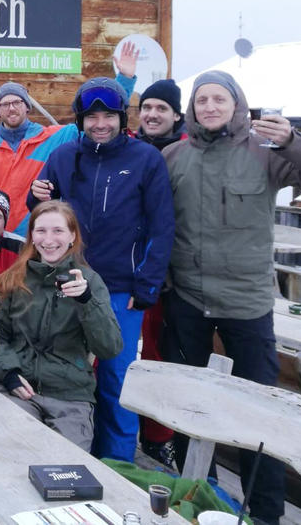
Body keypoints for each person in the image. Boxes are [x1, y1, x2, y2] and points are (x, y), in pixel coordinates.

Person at [161, 71, 301, 525]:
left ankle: (265, 512)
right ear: (192, 108)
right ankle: (199, 498)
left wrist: (293, 139)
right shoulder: (174, 156)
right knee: (190, 406)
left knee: (259, 413)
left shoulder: (267, 153)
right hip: (188, 300)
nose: (210, 107)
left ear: (237, 104)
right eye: (202, 100)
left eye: (219, 99)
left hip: (247, 305)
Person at [28, 77, 173, 463]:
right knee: (68, 372)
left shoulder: (145, 159)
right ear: (81, 119)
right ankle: (75, 453)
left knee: (116, 380)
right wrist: (34, 195)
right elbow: (42, 211)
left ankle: (118, 464)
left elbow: (162, 226)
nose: (100, 124)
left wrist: (147, 286)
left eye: (108, 115)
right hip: (69, 281)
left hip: (122, 290)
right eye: (92, 117)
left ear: (121, 118)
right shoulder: (64, 156)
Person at [0, 201, 123, 451]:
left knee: (66, 470)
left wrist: (86, 302)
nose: (48, 239)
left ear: (72, 236)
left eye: (58, 231)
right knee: (8, 455)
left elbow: (109, 348)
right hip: (21, 390)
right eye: (40, 231)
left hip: (69, 395)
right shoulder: (13, 279)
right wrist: (9, 374)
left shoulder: (90, 281)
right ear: (31, 236)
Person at [132, 78, 184, 467]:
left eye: (161, 109)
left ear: (176, 115)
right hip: (125, 269)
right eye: (147, 107)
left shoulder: (185, 152)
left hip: (168, 275)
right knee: (118, 354)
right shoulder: (126, 149)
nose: (152, 114)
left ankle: (157, 436)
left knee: (159, 358)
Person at [0, 82, 78, 236]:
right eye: (4, 104)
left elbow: (98, 126)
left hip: (40, 238)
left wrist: (117, 79)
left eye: (17, 102)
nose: (11, 108)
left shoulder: (55, 137)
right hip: (0, 240)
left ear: (27, 107)